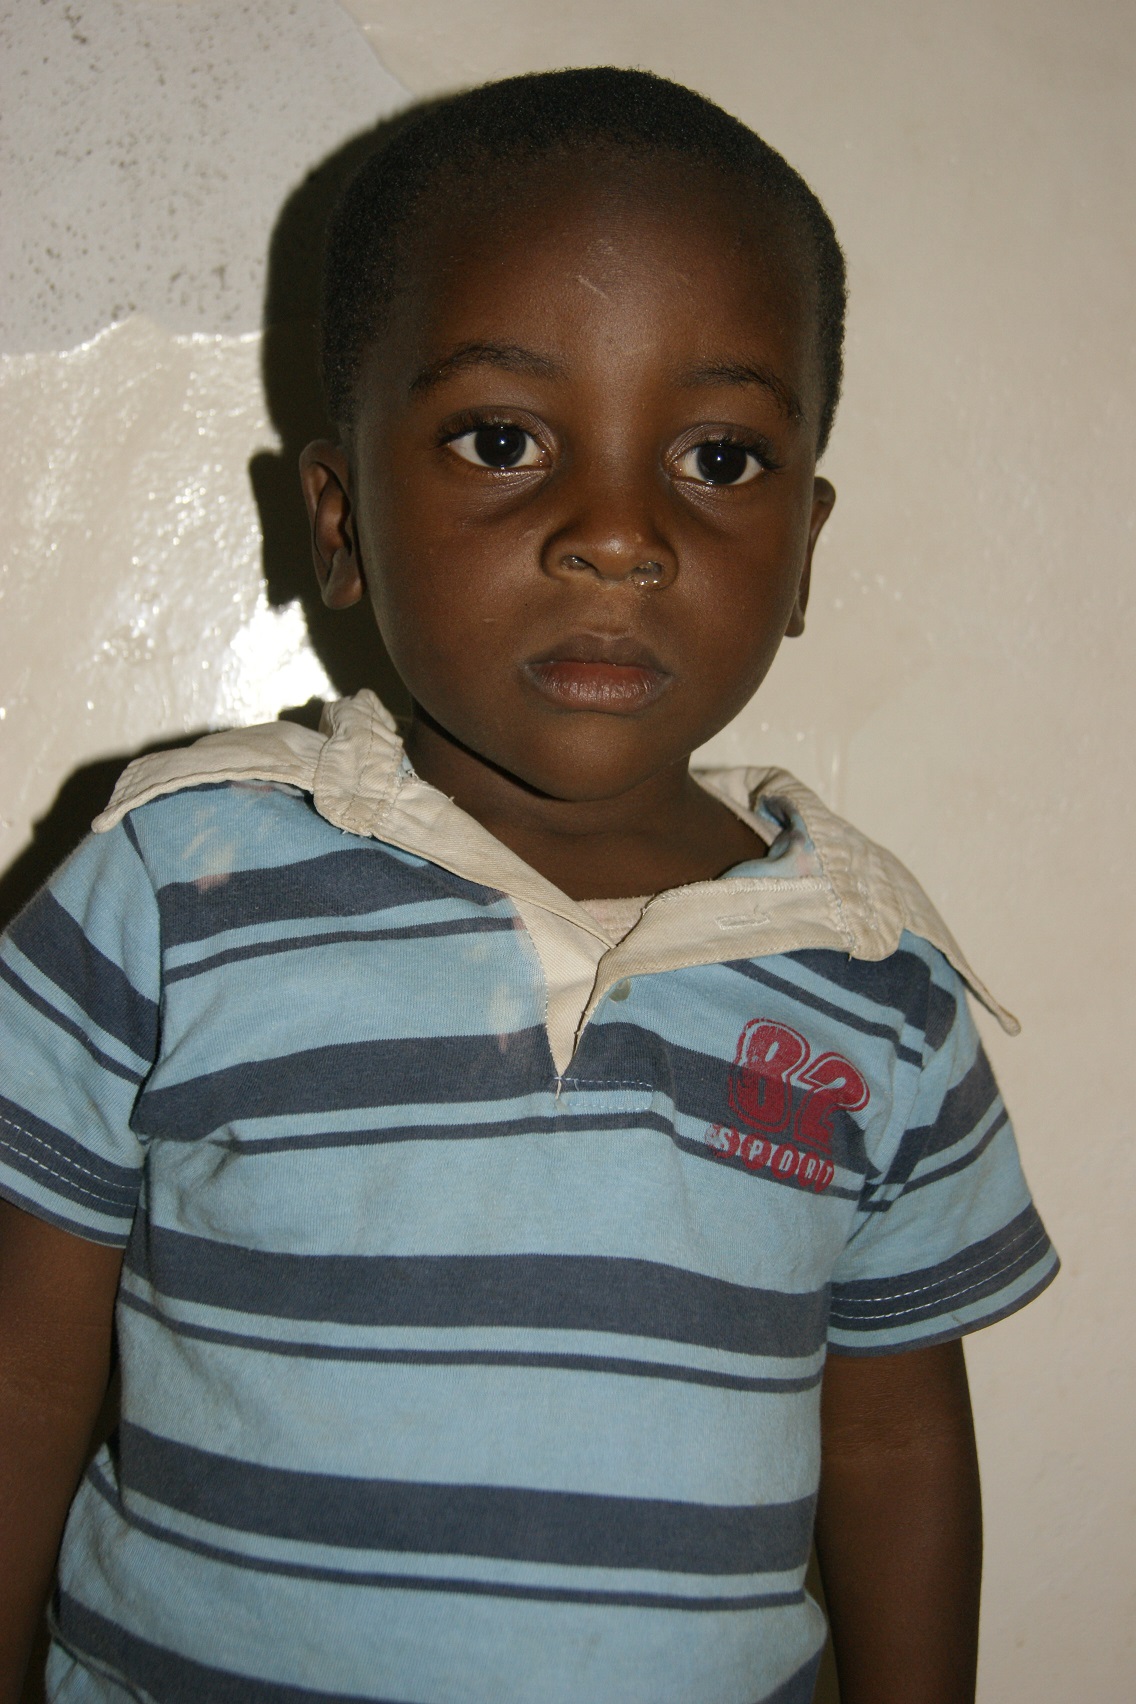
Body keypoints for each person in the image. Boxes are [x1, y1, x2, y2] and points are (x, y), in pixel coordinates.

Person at [0, 67, 1057, 1704]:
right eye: (504, 441)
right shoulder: (174, 886)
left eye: (719, 458)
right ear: (338, 521)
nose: (617, 536)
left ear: (806, 550)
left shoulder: (878, 981)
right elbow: (21, 1373)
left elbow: (898, 1448)